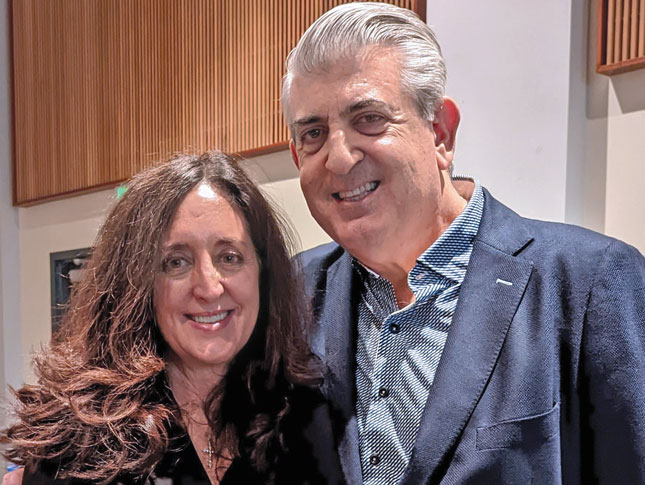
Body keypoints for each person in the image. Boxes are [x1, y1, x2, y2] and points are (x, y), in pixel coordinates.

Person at [282, 2, 645, 484]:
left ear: (440, 132)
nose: (340, 157)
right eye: (314, 133)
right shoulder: (290, 292)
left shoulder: (589, 283)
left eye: (368, 118)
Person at [1, 152, 341, 484]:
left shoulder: (300, 415)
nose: (209, 287)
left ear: (263, 273)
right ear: (136, 284)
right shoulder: (78, 440)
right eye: (175, 262)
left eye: (229, 257)